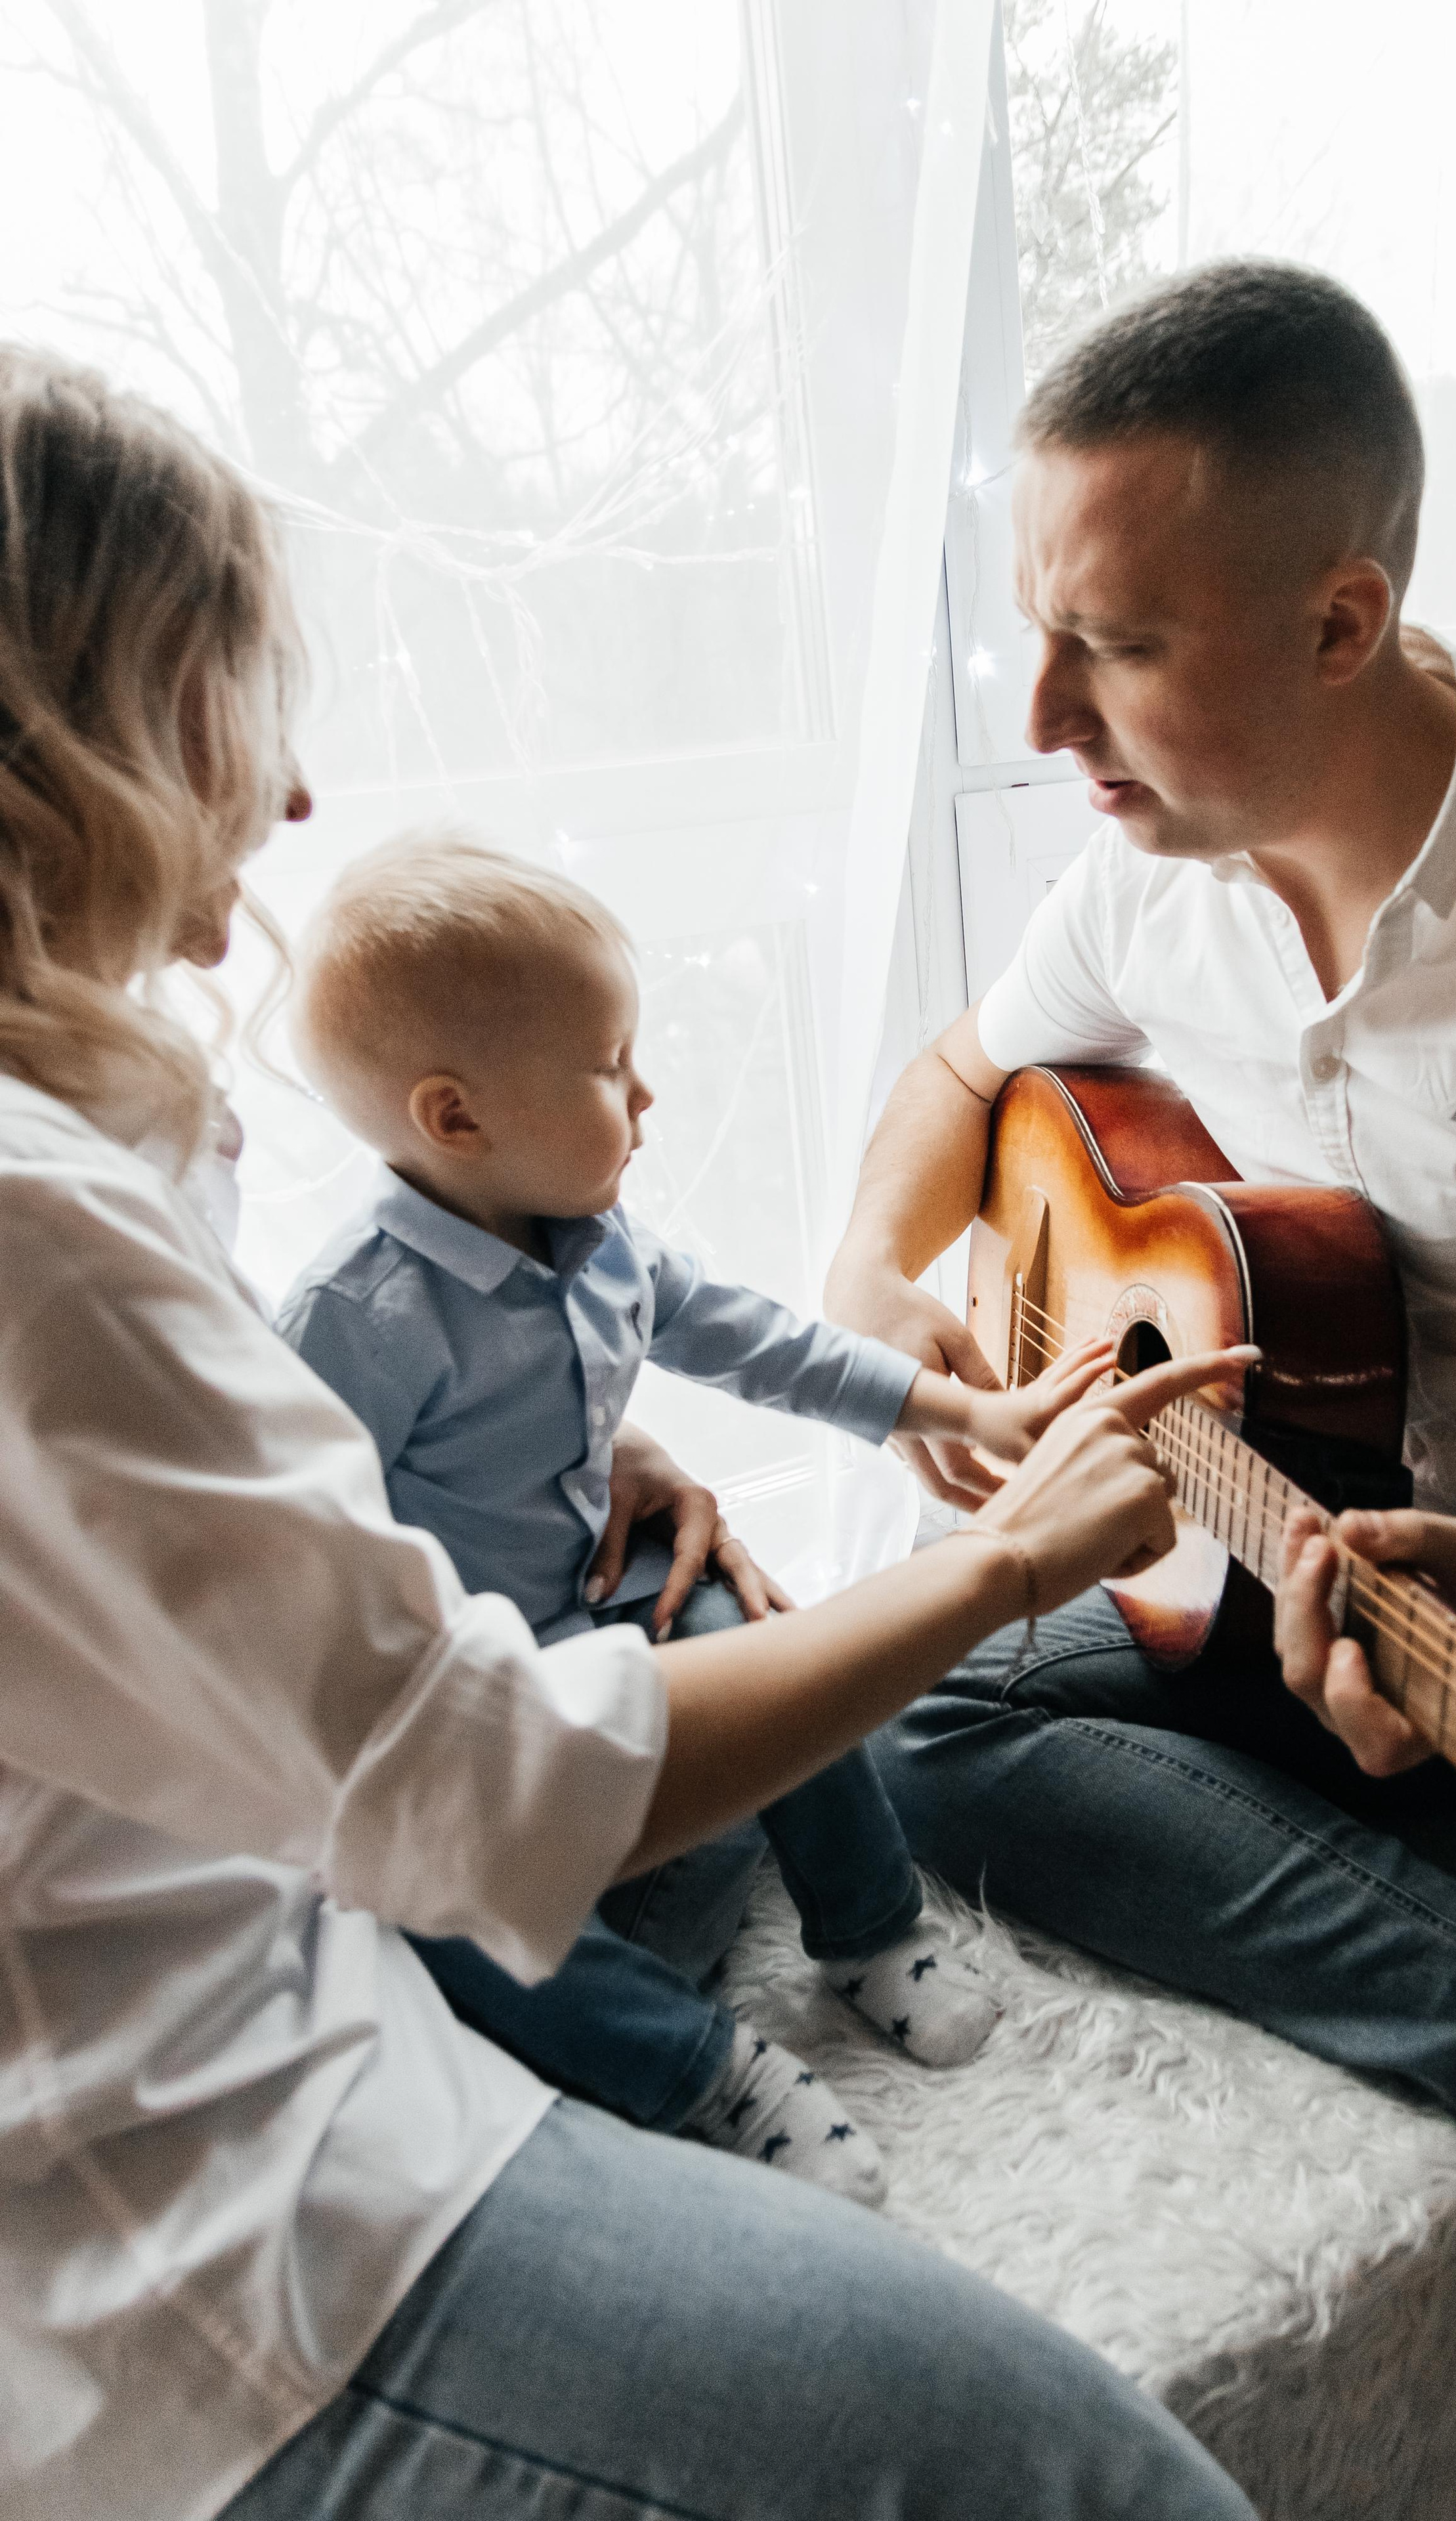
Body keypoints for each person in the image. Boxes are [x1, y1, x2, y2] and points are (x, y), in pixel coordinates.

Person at [0, 344, 1261, 2521]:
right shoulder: (59, 1223)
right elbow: (471, 1789)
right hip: (215, 2223)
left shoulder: (106, 1163)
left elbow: (726, 1327)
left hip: (258, 1995)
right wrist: (998, 1560)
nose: (288, 802)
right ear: (60, 735)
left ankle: (871, 1940)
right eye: (223, 697)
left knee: (933, 1737)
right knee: (1094, 2479)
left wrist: (660, 1440)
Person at [823, 258, 1456, 2283]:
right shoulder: (1153, 869)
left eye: (1112, 646)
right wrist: (873, 1272)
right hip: (1327, 1580)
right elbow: (966, 1072)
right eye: (1040, 631)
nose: (1041, 718)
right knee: (914, 1709)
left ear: (1343, 623)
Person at [275, 833, 1113, 2204]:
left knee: (752, 1629)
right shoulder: (349, 1320)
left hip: (596, 1601)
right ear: (456, 1119)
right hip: (468, 1691)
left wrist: (964, 1417)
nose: (650, 1094)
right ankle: (704, 2070)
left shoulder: (603, 1239)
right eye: (611, 1068)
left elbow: (764, 1345)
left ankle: (869, 1927)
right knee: (433, 1907)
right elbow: (303, 1573)